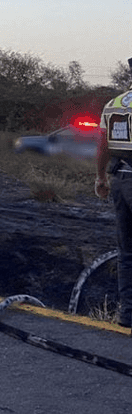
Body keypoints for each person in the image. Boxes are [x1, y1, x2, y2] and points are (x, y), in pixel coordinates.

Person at [96, 69, 132, 331]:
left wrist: (100, 178)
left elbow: (102, 145)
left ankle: (127, 315)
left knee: (127, 252)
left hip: (119, 179)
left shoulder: (114, 104)